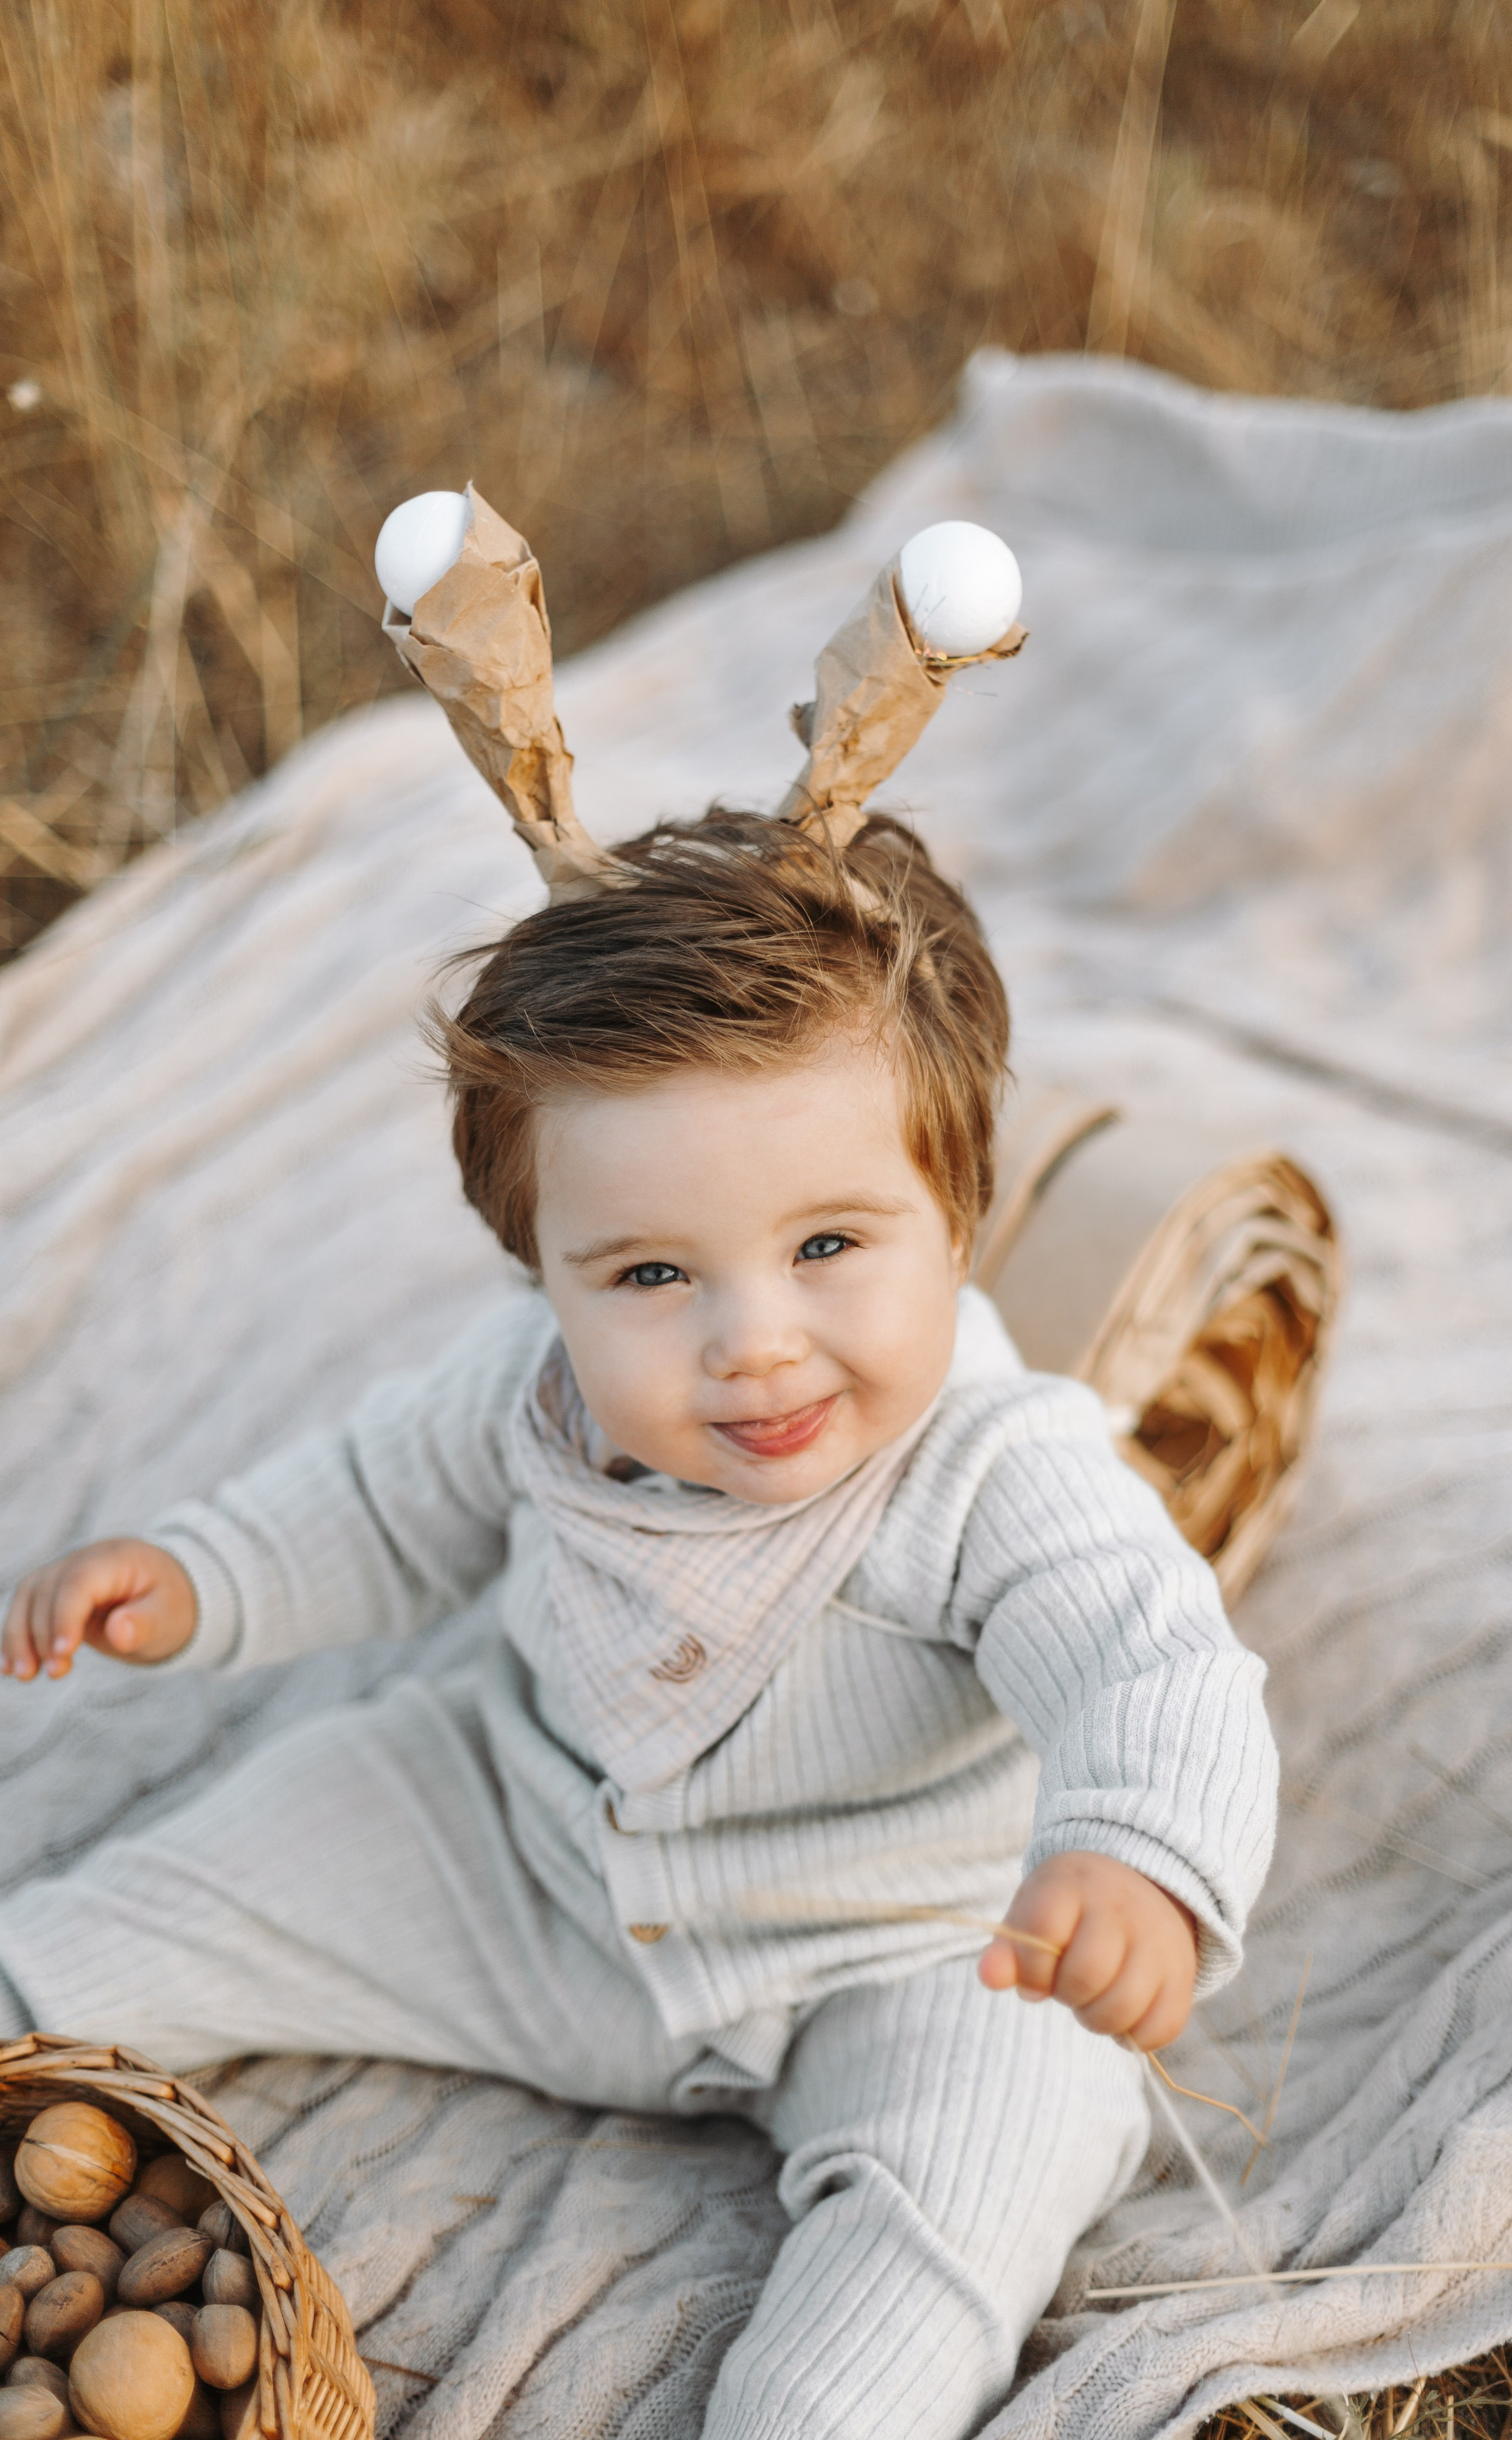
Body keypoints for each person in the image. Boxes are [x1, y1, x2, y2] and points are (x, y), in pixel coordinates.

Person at [0, 806, 1278, 2440]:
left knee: (981, 2154)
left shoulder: (997, 1467)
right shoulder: (529, 1394)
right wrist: (196, 1579)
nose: (754, 1342)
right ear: (537, 1266)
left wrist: (1134, 1858)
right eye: (651, 1277)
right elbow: (374, 1505)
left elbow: (1146, 1656)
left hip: (906, 1947)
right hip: (522, 1850)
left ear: (957, 1222)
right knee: (158, 1902)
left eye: (826, 1245)